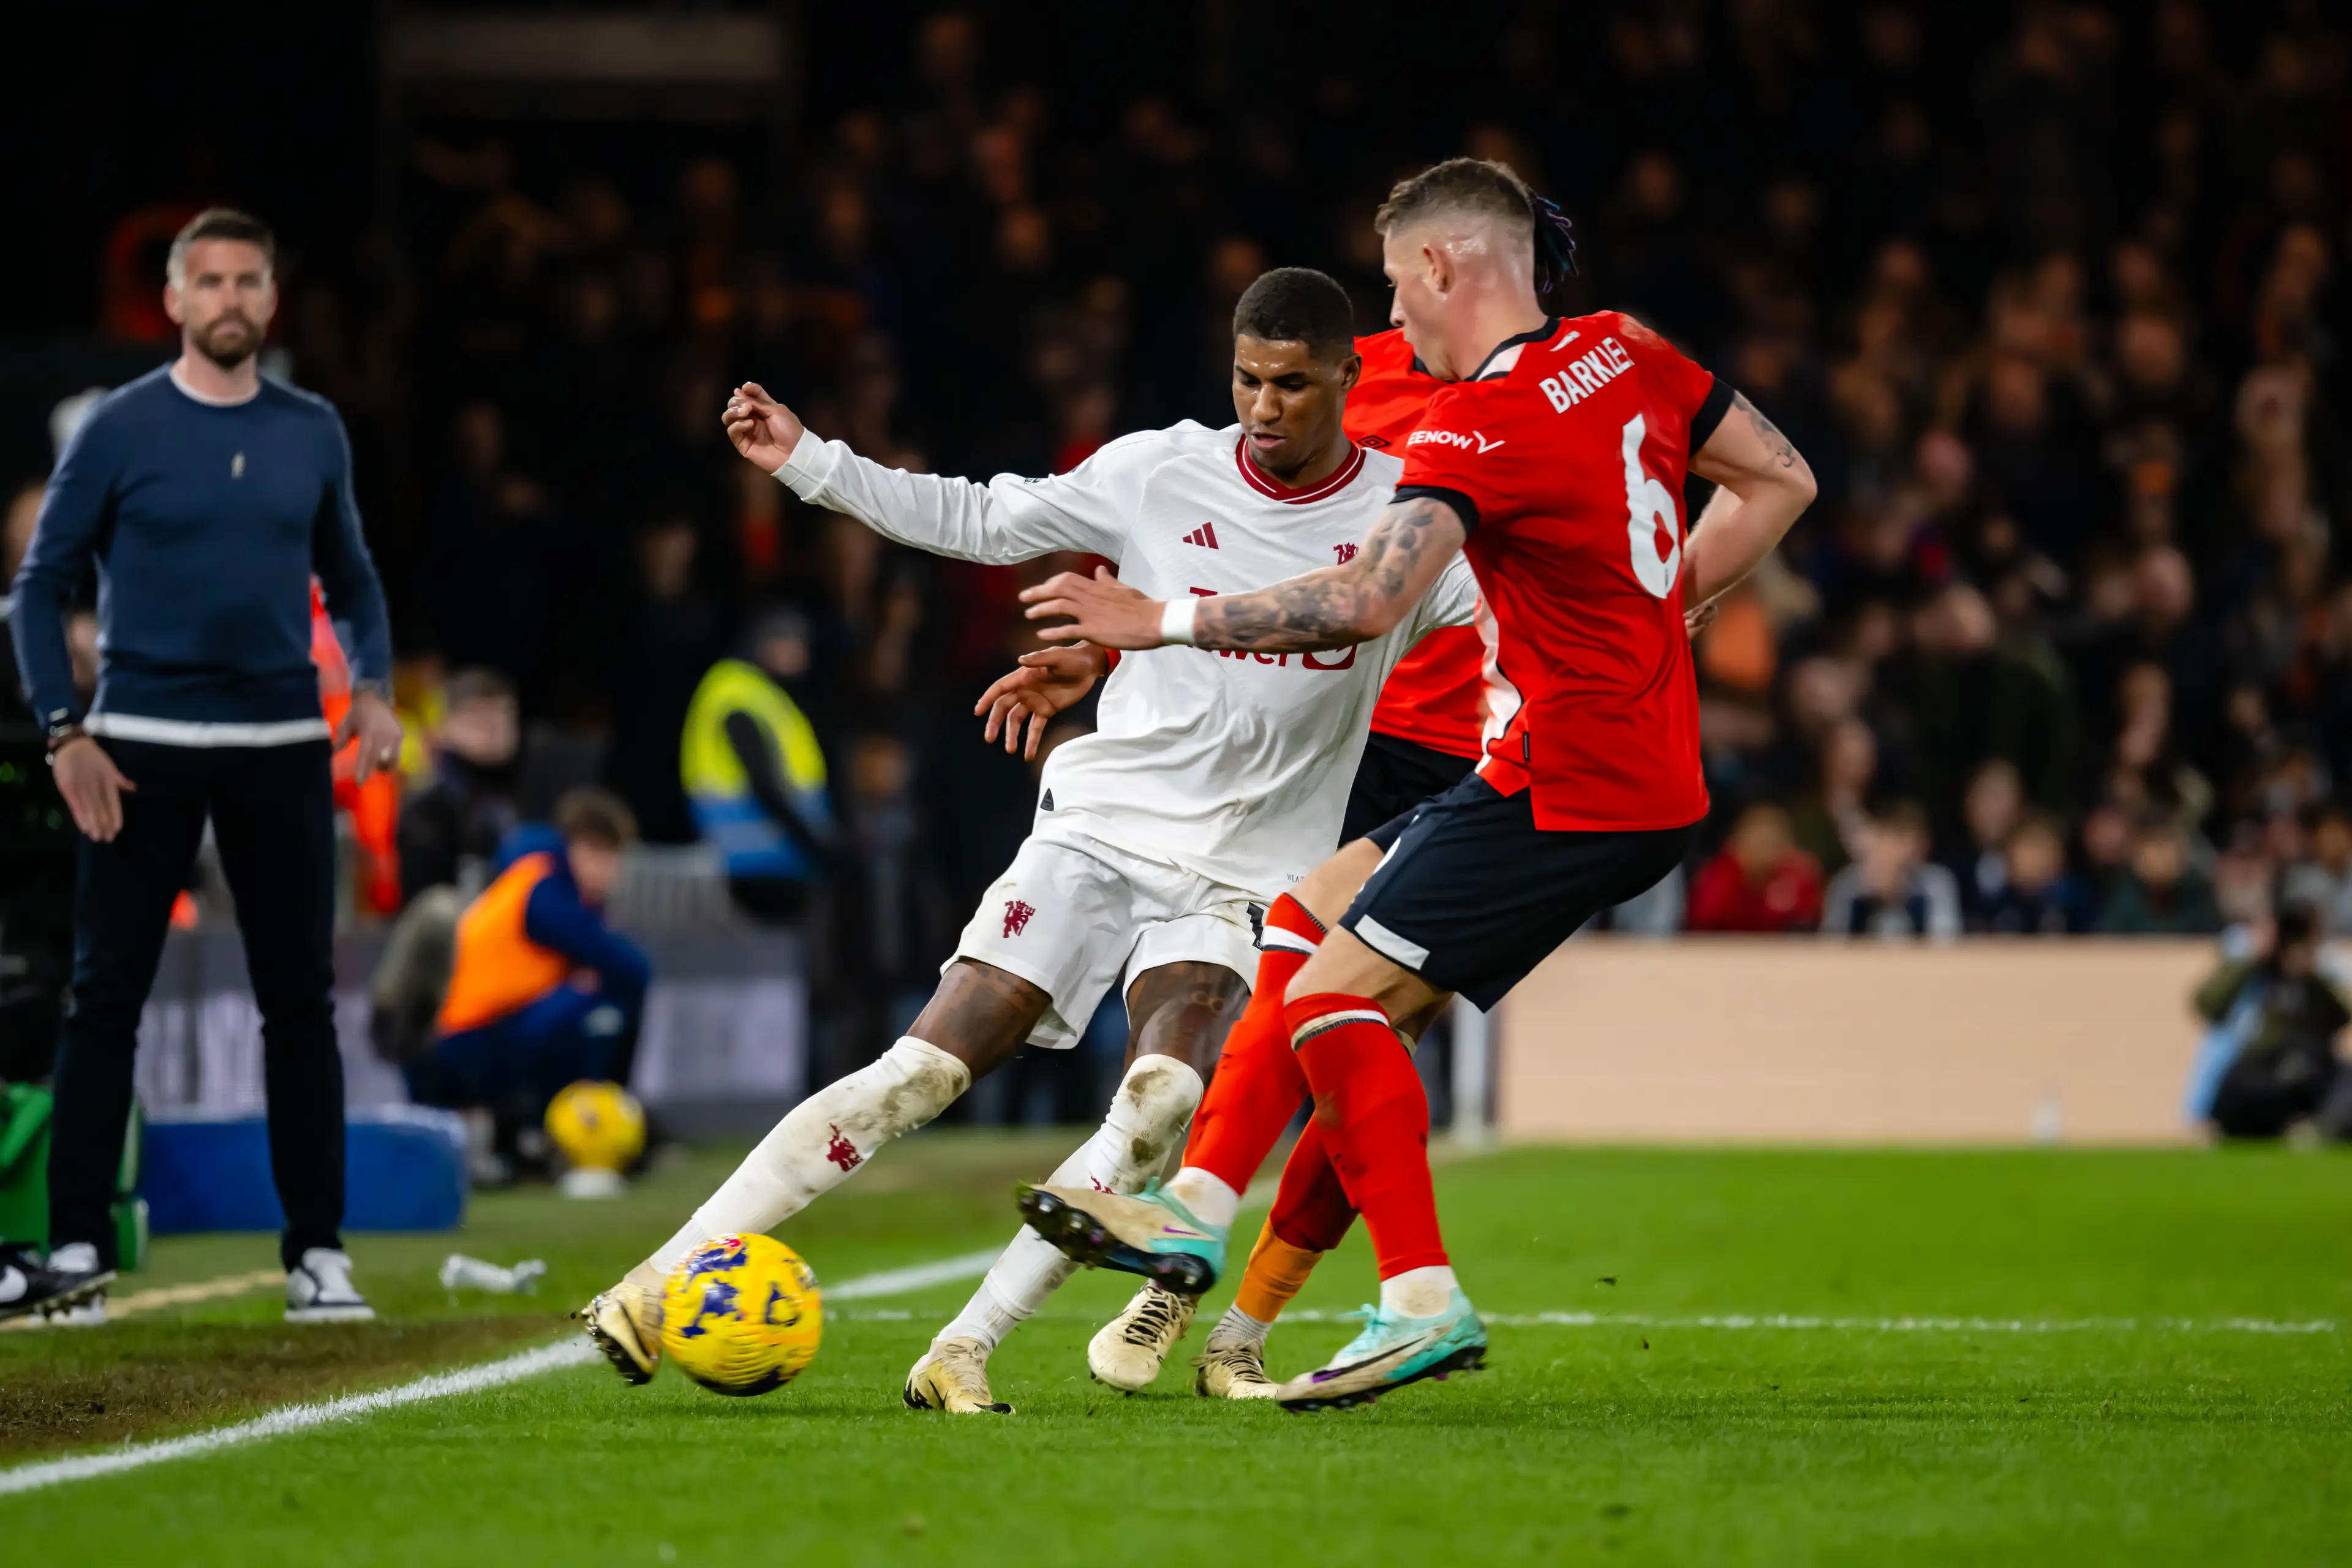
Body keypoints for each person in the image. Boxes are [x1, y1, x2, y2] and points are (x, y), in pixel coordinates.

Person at [579, 265, 1481, 1414]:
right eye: (1249, 379)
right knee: (923, 1073)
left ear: (1346, 381)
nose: (1265, 406)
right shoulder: (1160, 471)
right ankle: (655, 1283)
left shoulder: (1402, 525)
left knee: (1159, 1103)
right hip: (1102, 831)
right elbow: (982, 514)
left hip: (1241, 879)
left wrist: (1657, 599)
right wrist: (813, 462)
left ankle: (963, 1348)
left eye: (1294, 386)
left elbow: (1524, 622)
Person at [1014, 157, 1817, 1409]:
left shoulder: (1474, 424)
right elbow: (1782, 479)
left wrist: (1156, 617)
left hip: (1572, 775)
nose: (1393, 321)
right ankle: (1200, 1214)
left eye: (1397, 289)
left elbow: (1364, 597)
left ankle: (1417, 1299)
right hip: (1591, 755)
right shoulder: (1626, 352)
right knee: (1305, 917)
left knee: (1338, 1001)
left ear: (1444, 267)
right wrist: (1671, 610)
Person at [5, 208, 402, 1325]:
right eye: (209, 281)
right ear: (174, 301)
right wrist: (62, 732)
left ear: (272, 301)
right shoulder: (118, 428)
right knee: (104, 999)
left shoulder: (312, 429)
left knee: (300, 1009)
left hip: (279, 745)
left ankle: (317, 1254)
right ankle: (78, 1245)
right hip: (144, 745)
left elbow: (355, 579)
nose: (229, 299)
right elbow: (41, 588)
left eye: (248, 281)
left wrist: (372, 684)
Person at [409, 788, 651, 1127]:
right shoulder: (546, 892)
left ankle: (596, 1116)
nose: (608, 870)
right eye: (597, 854)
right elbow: (631, 967)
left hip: (476, 1031)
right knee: (598, 1003)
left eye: (613, 857)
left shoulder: (540, 880)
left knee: (587, 996)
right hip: (465, 1041)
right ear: (573, 847)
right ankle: (588, 1119)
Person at [680, 608, 833, 922]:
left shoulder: (760, 693)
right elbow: (766, 785)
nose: (802, 656)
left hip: (771, 861)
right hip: (760, 864)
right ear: (766, 642)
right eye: (793, 643)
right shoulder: (738, 694)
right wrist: (818, 847)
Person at [396, 667, 522, 905]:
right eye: (478, 719)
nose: (492, 729)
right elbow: (426, 904)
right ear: (444, 727)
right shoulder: (427, 810)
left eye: (502, 717)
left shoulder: (533, 796)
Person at [1821, 800, 1964, 939]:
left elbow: (1946, 944)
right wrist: (1869, 902)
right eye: (1899, 839)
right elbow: (1831, 946)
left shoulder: (1936, 882)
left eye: (1915, 840)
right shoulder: (1847, 885)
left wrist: (1900, 896)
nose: (1911, 848)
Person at [1686, 801, 1825, 932]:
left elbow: (1811, 923)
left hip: (1785, 953)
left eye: (1771, 843)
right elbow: (1702, 920)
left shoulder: (1799, 875)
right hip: (1724, 953)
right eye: (1758, 842)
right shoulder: (1720, 873)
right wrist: (1748, 881)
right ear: (1739, 841)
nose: (1764, 851)